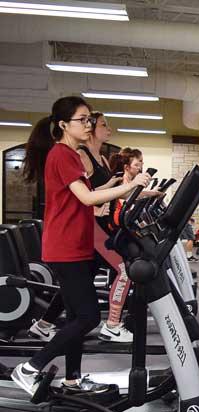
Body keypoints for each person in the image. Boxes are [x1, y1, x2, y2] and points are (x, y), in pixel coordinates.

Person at [11, 96, 150, 396]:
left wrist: (131, 191)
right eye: (82, 120)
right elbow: (87, 200)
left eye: (89, 119)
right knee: (87, 317)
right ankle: (29, 368)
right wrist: (131, 185)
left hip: (76, 244)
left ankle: (72, 379)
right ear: (63, 125)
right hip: (65, 247)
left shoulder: (71, 155)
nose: (88, 125)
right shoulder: (61, 155)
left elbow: (90, 193)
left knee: (76, 317)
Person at [28, 111, 135, 343]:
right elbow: (83, 196)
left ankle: (45, 325)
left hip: (96, 226)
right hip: (86, 228)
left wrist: (139, 191)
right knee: (123, 271)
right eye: (103, 125)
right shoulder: (77, 155)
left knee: (80, 283)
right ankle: (113, 324)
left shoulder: (102, 158)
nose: (109, 129)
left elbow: (101, 192)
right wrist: (97, 203)